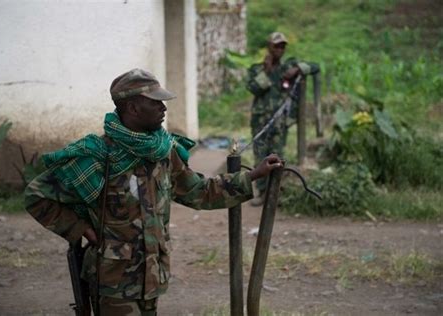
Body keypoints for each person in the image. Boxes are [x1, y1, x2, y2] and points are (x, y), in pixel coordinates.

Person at [24, 68, 283, 315]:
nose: (163, 108)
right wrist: (79, 229)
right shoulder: (97, 155)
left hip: (152, 276)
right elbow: (37, 196)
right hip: (113, 281)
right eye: (155, 103)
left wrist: (251, 176)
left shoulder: (163, 151)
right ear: (133, 107)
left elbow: (199, 191)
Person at [246, 32, 313, 206]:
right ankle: (261, 193)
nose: (280, 49)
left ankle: (275, 193)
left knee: (277, 157)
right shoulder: (256, 69)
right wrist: (267, 72)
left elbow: (314, 67)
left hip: (279, 122)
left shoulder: (288, 67)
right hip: (260, 122)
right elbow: (254, 88)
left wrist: (297, 70)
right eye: (277, 46)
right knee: (260, 156)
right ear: (269, 47)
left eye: (283, 46)